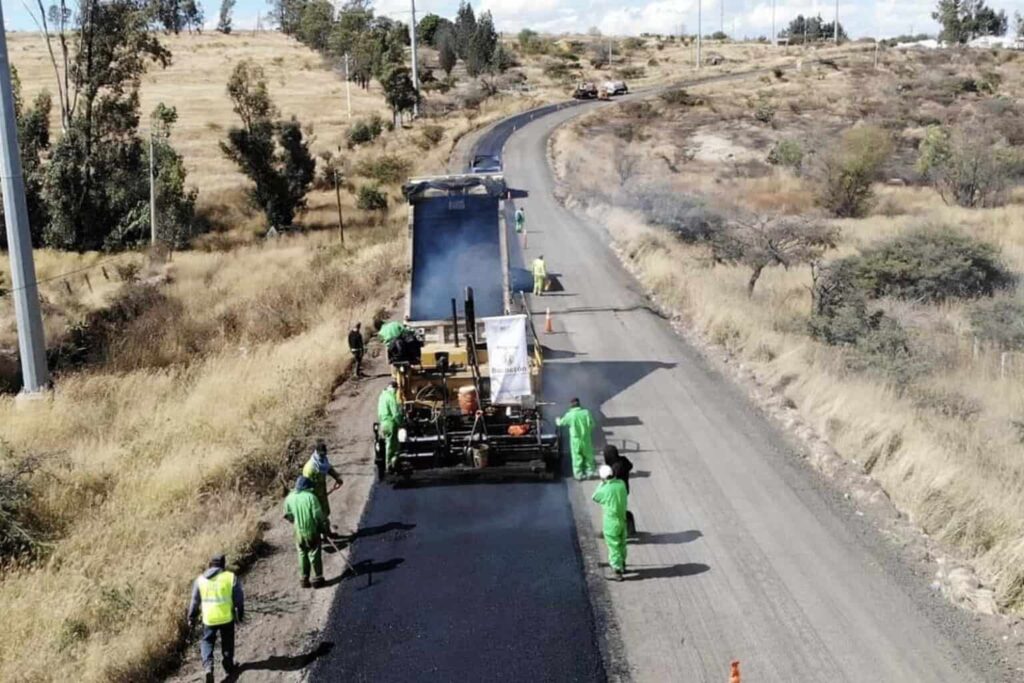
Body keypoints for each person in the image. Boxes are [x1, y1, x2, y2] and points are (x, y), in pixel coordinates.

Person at [187, 554, 244, 682]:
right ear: (223, 565)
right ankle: (228, 665)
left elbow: (195, 601)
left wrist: (191, 617)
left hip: (209, 619)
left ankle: (208, 668)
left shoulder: (200, 580)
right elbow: (239, 599)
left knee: (207, 642)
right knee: (227, 641)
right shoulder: (230, 577)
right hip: (226, 618)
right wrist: (240, 613)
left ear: (209, 565)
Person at [284, 475, 327, 588]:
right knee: (314, 553)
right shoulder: (311, 497)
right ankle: (317, 578)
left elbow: (288, 515)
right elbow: (318, 516)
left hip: (298, 532)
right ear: (307, 487)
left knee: (302, 554)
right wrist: (323, 528)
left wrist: (295, 522)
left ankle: (304, 578)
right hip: (312, 531)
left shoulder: (289, 497)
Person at [593, 465, 628, 581]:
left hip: (611, 522)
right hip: (622, 519)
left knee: (613, 545)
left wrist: (602, 483)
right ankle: (622, 564)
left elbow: (595, 497)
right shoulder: (621, 484)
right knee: (622, 543)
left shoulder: (604, 489)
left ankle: (617, 571)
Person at [301, 439, 343, 536]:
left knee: (325, 513)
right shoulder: (310, 468)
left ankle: (326, 533)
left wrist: (337, 477)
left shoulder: (324, 461)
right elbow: (305, 485)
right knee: (316, 516)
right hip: (313, 496)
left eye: (324, 454)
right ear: (316, 453)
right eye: (321, 454)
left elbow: (328, 468)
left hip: (322, 494)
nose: (323, 456)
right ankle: (318, 537)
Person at [556, 397, 596, 480]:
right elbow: (592, 424)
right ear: (579, 404)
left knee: (577, 457)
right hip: (586, 439)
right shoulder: (586, 413)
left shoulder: (570, 415)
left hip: (575, 440)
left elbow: (561, 423)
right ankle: (590, 472)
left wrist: (557, 420)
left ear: (571, 405)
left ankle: (579, 475)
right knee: (588, 455)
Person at [604, 444, 637, 537]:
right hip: (625, 490)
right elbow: (630, 466)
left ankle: (622, 531)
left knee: (617, 512)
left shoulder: (615, 468)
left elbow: (611, 479)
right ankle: (630, 529)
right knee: (621, 510)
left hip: (617, 493)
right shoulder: (623, 460)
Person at [377, 380, 403, 472]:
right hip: (390, 423)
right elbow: (395, 413)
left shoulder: (382, 396)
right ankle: (390, 465)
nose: (396, 392)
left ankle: (391, 463)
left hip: (383, 423)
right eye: (396, 390)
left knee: (388, 443)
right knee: (392, 444)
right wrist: (401, 423)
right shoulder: (390, 397)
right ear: (394, 388)